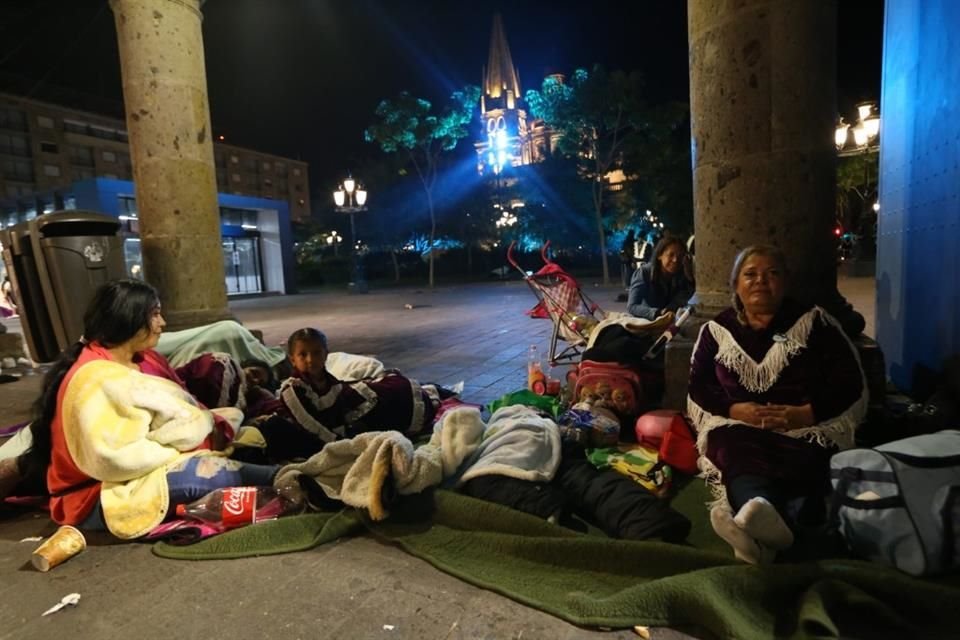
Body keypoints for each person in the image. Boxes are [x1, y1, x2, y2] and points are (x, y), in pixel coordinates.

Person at [14, 280, 278, 539]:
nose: (162, 323)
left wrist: (201, 431)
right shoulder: (95, 380)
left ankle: (286, 477)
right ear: (129, 319)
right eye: (154, 315)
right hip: (100, 493)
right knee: (206, 474)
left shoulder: (144, 357)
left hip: (152, 463)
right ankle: (285, 480)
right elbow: (114, 459)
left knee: (248, 440)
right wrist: (184, 447)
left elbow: (181, 402)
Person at [686, 245, 867, 564]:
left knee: (809, 455)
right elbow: (699, 385)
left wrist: (806, 413)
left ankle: (756, 533)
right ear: (736, 285)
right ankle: (760, 514)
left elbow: (848, 381)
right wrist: (733, 410)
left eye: (772, 274)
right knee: (732, 447)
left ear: (785, 282)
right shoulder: (717, 330)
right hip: (739, 426)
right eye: (750, 274)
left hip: (804, 429)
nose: (760, 281)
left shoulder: (814, 323)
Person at [255, 328, 440, 461]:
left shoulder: (330, 381)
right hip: (316, 437)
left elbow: (340, 405)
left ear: (326, 354)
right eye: (303, 355)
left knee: (391, 394)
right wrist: (343, 446)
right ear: (292, 360)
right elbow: (311, 426)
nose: (311, 360)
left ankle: (429, 395)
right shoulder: (292, 389)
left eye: (316, 353)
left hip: (339, 429)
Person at [626, 236, 694, 321]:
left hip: (671, 322)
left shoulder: (682, 275)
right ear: (659, 255)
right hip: (647, 323)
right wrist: (658, 312)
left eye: (680, 256)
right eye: (671, 255)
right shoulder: (644, 273)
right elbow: (632, 306)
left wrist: (689, 277)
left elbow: (689, 299)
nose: (675, 260)